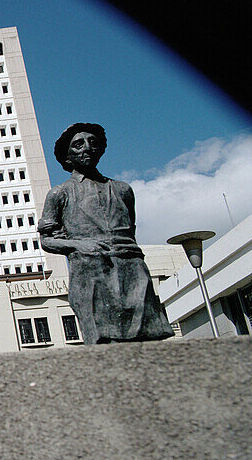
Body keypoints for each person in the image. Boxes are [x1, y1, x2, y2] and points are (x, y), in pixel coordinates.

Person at [37, 123, 173, 344]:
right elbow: (47, 239)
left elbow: (132, 229)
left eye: (93, 142)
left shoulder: (123, 189)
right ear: (68, 156)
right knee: (104, 341)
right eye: (78, 144)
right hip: (91, 272)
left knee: (150, 337)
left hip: (132, 268)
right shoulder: (59, 193)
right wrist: (78, 246)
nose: (87, 148)